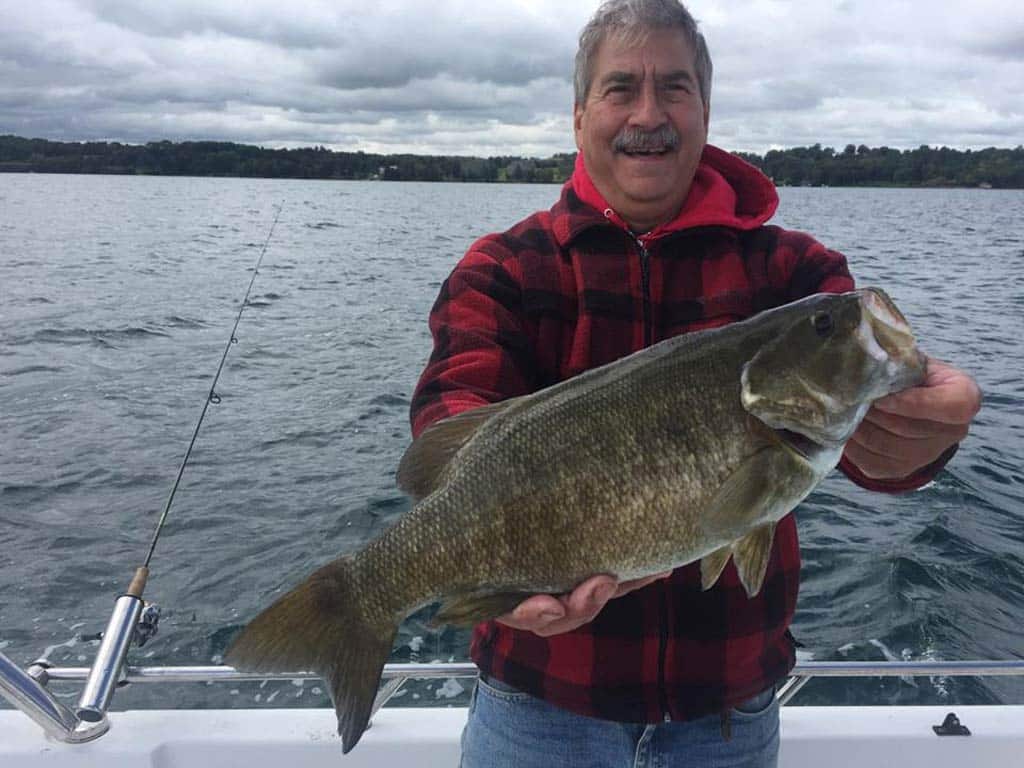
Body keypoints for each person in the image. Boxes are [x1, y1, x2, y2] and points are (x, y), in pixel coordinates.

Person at [408, 1, 982, 766]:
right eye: (620, 89)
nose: (649, 113)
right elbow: (453, 414)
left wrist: (920, 434)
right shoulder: (503, 270)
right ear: (579, 116)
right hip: (535, 707)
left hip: (727, 718)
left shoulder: (797, 280)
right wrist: (499, 566)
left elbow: (874, 456)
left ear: (705, 110)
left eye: (674, 87)